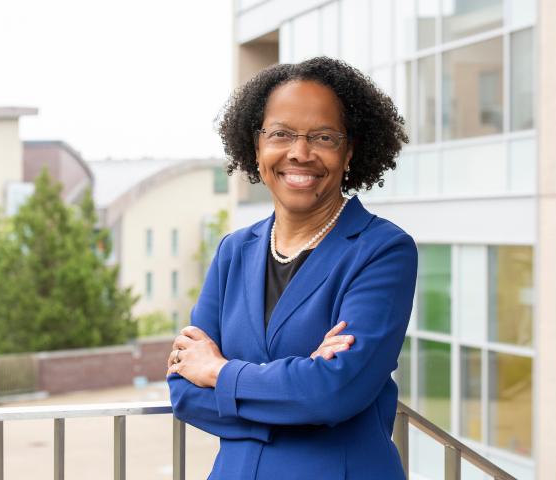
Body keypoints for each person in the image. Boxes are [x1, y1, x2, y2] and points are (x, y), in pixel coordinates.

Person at [166, 56, 417, 480]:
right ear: (257, 146)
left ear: (350, 150)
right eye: (281, 134)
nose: (300, 154)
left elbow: (335, 391)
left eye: (323, 136)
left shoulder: (383, 251)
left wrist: (220, 371)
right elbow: (184, 392)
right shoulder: (234, 251)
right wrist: (300, 392)